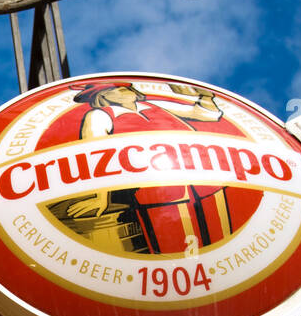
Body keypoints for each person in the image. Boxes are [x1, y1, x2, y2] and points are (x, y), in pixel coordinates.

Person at [62, 81, 239, 253]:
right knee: (178, 249)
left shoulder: (153, 105)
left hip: (204, 182)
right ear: (103, 96)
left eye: (127, 89)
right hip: (160, 192)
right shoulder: (99, 116)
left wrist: (206, 97)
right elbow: (97, 156)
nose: (128, 91)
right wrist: (101, 198)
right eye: (118, 90)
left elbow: (207, 114)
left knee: (223, 240)